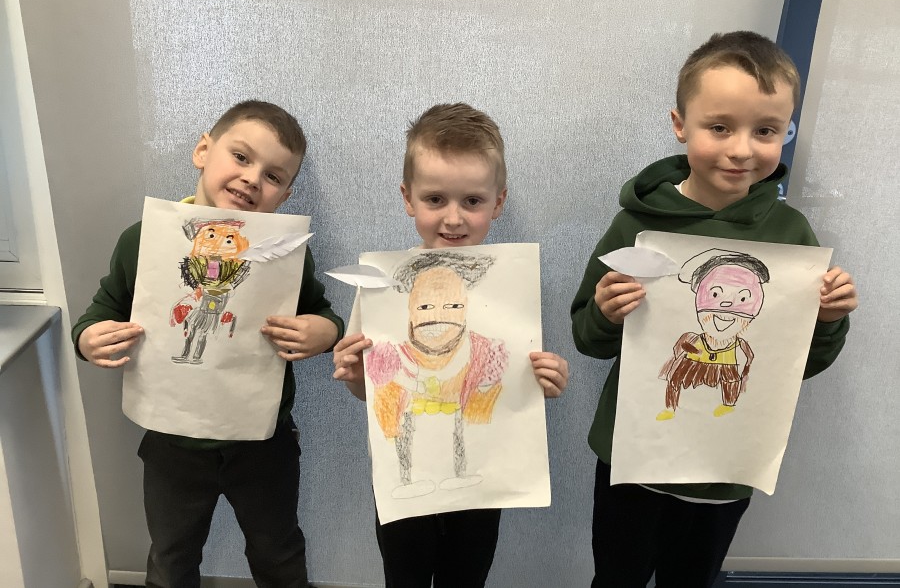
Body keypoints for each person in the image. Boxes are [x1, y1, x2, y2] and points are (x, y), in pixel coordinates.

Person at [570, 31, 859, 588]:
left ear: (786, 132)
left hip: (725, 469)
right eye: (720, 126)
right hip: (634, 458)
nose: (742, 149)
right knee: (616, 577)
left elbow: (797, 366)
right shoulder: (638, 224)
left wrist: (828, 320)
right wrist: (606, 312)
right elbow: (588, 338)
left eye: (765, 130)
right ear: (680, 124)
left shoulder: (792, 236)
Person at [72, 100, 343, 588]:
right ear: (203, 151)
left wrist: (326, 333)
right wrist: (88, 338)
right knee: (171, 556)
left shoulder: (286, 257)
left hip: (263, 443)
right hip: (172, 441)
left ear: (285, 195)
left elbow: (322, 315)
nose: (252, 179)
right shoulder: (144, 241)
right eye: (241, 157)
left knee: (278, 552)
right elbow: (104, 307)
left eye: (273, 176)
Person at [332, 102, 569, 588]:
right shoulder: (381, 287)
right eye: (435, 199)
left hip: (481, 480)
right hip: (404, 483)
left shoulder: (509, 293)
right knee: (405, 577)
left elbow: (508, 386)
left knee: (468, 576)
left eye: (473, 201)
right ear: (408, 198)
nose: (454, 218)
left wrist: (544, 380)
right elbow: (369, 391)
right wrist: (356, 377)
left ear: (498, 202)